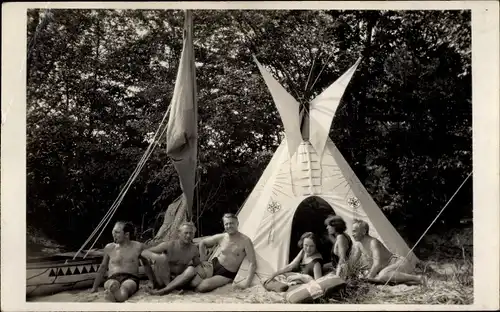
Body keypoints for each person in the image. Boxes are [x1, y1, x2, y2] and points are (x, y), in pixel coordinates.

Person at [191, 213, 257, 292]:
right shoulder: (222, 237)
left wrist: (247, 283)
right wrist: (203, 259)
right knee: (193, 283)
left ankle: (227, 282)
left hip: (227, 273)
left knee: (202, 287)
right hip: (214, 264)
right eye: (226, 224)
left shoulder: (245, 241)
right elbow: (203, 243)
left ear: (237, 224)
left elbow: (252, 263)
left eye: (231, 223)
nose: (229, 226)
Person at [90, 221, 155, 302]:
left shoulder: (137, 247)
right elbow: (103, 267)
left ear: (126, 235)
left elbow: (146, 264)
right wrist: (94, 287)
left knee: (125, 288)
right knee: (112, 284)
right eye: (113, 231)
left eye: (117, 232)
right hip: (113, 277)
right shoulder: (109, 248)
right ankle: (114, 292)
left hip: (131, 278)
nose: (114, 234)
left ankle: (117, 296)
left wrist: (152, 282)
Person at [350, 220, 425, 285]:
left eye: (354, 231)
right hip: (388, 269)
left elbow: (377, 264)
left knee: (382, 275)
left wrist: (369, 278)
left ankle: (417, 278)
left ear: (363, 231)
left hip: (399, 263)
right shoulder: (358, 245)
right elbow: (353, 262)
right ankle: (409, 281)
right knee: (372, 274)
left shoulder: (373, 242)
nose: (352, 234)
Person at [140, 222, 201, 296]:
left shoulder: (194, 249)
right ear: (179, 233)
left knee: (191, 269)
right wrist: (156, 257)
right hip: (162, 279)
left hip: (177, 280)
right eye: (186, 233)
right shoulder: (169, 245)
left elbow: (198, 265)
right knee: (162, 258)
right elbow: (144, 252)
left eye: (191, 233)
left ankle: (166, 289)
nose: (188, 235)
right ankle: (161, 287)